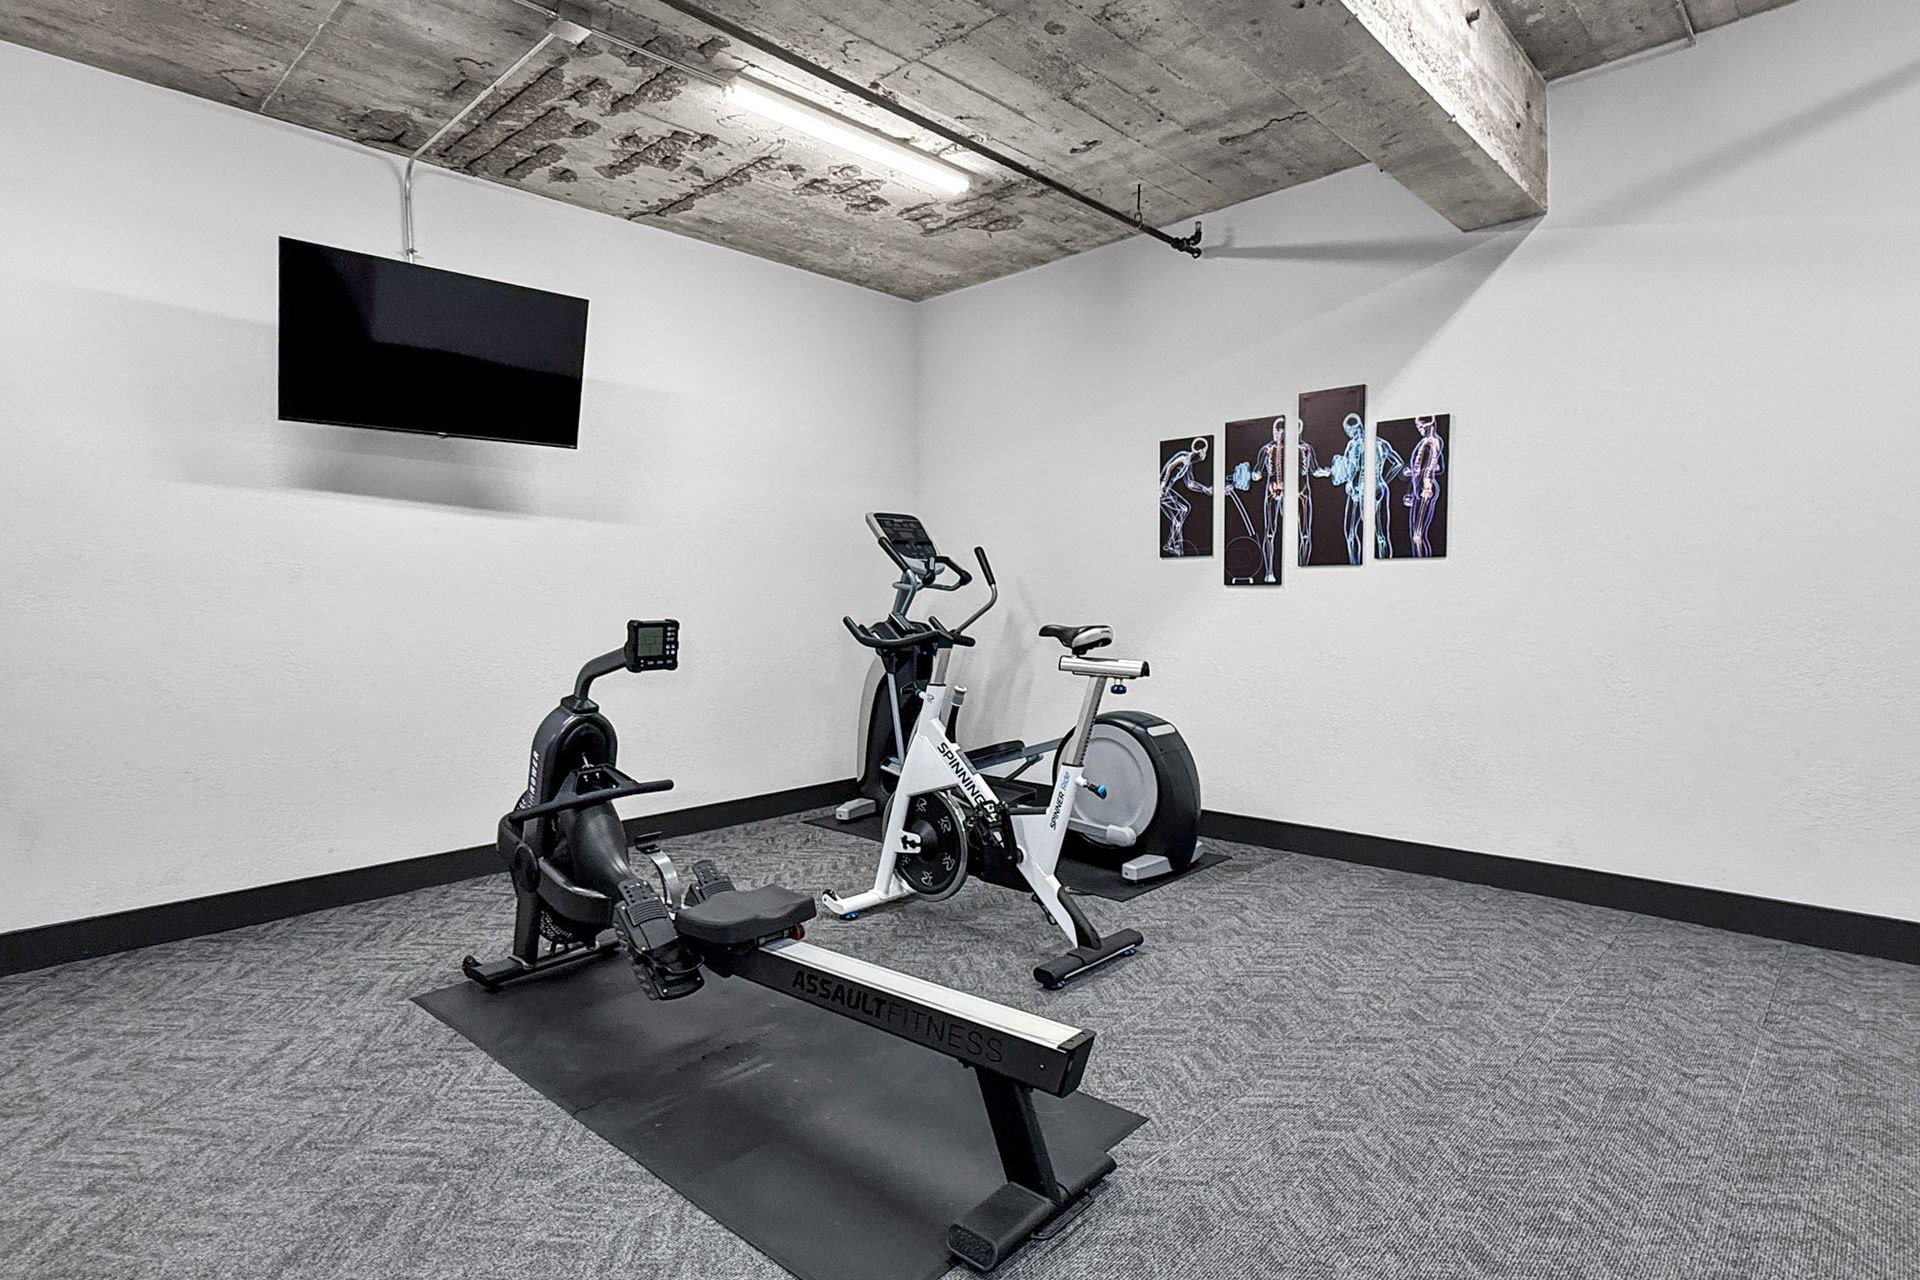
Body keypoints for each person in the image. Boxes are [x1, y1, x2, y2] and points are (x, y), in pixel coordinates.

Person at [1159, 436, 1212, 556]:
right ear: (1199, 450)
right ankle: (1170, 543)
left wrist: (1206, 489)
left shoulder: (1188, 464)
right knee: (1182, 510)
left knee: (1182, 512)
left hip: (1166, 490)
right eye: (1204, 451)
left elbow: (1190, 484)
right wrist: (1162, 486)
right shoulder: (1184, 457)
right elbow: (1169, 467)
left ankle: (1172, 543)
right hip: (1162, 490)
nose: (1204, 455)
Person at [1405, 416, 1446, 557]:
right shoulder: (1437, 441)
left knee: (1417, 536)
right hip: (1428, 485)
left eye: (1420, 426)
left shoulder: (1427, 443)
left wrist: (1411, 490)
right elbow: (1439, 468)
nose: (1419, 429)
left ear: (1429, 425)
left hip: (1424, 488)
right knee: (1418, 534)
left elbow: (1420, 471)